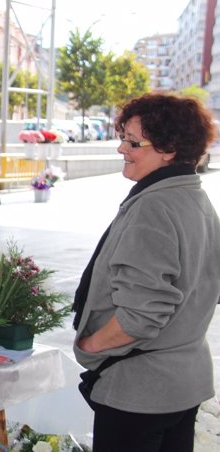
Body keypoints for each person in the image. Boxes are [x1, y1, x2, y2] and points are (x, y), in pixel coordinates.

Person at [72, 93, 220, 452]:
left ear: (168, 149)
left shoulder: (154, 206)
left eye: (133, 142)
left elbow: (140, 316)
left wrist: (89, 346)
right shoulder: (195, 198)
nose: (121, 149)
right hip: (183, 383)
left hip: (141, 392)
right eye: (123, 137)